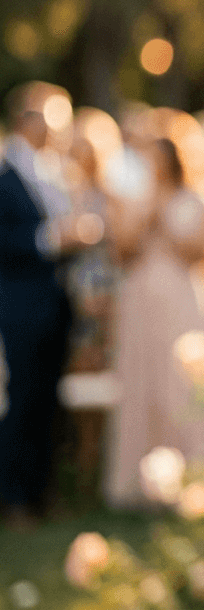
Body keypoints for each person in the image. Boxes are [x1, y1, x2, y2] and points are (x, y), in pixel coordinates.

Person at [103, 132, 204, 509]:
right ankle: (138, 484)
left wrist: (163, 220)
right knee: (142, 378)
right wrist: (142, 219)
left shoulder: (194, 200)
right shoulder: (134, 199)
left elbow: (201, 250)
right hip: (141, 301)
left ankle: (194, 478)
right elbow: (122, 252)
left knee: (181, 382)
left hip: (181, 298)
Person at [0, 84, 78, 524]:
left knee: (48, 399)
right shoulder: (4, 171)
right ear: (28, 120)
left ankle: (42, 491)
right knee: (21, 398)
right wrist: (52, 238)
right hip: (17, 305)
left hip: (53, 301)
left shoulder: (52, 171)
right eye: (55, 119)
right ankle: (14, 498)